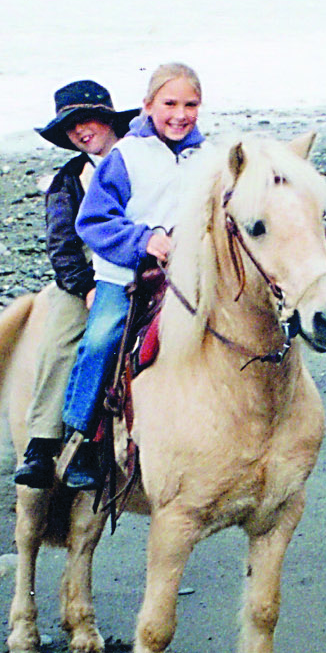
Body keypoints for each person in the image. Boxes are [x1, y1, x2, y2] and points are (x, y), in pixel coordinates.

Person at [61, 63, 208, 491]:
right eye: (170, 104)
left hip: (191, 273)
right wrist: (144, 240)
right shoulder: (125, 157)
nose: (180, 114)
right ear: (147, 107)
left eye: (190, 104)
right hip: (126, 275)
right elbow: (93, 220)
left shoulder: (209, 156)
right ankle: (83, 437)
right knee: (102, 338)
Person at [13, 80, 137, 488]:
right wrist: (84, 287)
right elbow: (62, 244)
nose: (81, 131)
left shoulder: (143, 158)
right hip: (93, 273)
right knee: (63, 339)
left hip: (150, 261)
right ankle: (46, 443)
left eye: (87, 120)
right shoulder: (67, 180)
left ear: (106, 119)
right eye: (71, 126)